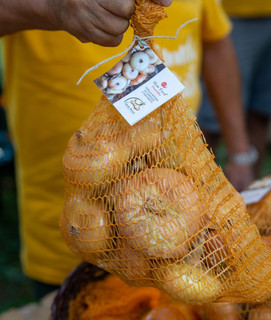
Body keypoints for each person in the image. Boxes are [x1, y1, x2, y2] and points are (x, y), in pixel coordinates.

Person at [0, 0, 252, 299]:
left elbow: (214, 43)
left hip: (180, 232)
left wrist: (239, 151)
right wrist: (52, 8)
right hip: (68, 223)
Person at [198, 0, 271, 182]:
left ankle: (249, 198)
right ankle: (194, 201)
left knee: (263, 110)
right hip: (230, 11)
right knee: (208, 125)